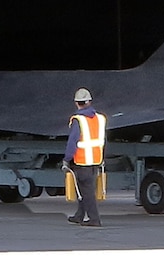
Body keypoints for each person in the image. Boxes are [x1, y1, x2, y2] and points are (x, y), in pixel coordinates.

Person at [64, 87, 106, 227]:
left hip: (83, 161)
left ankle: (94, 219)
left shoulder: (79, 120)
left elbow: (73, 141)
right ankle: (79, 215)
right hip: (96, 160)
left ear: (77, 103)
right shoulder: (100, 118)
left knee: (87, 192)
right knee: (85, 189)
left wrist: (67, 159)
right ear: (89, 102)